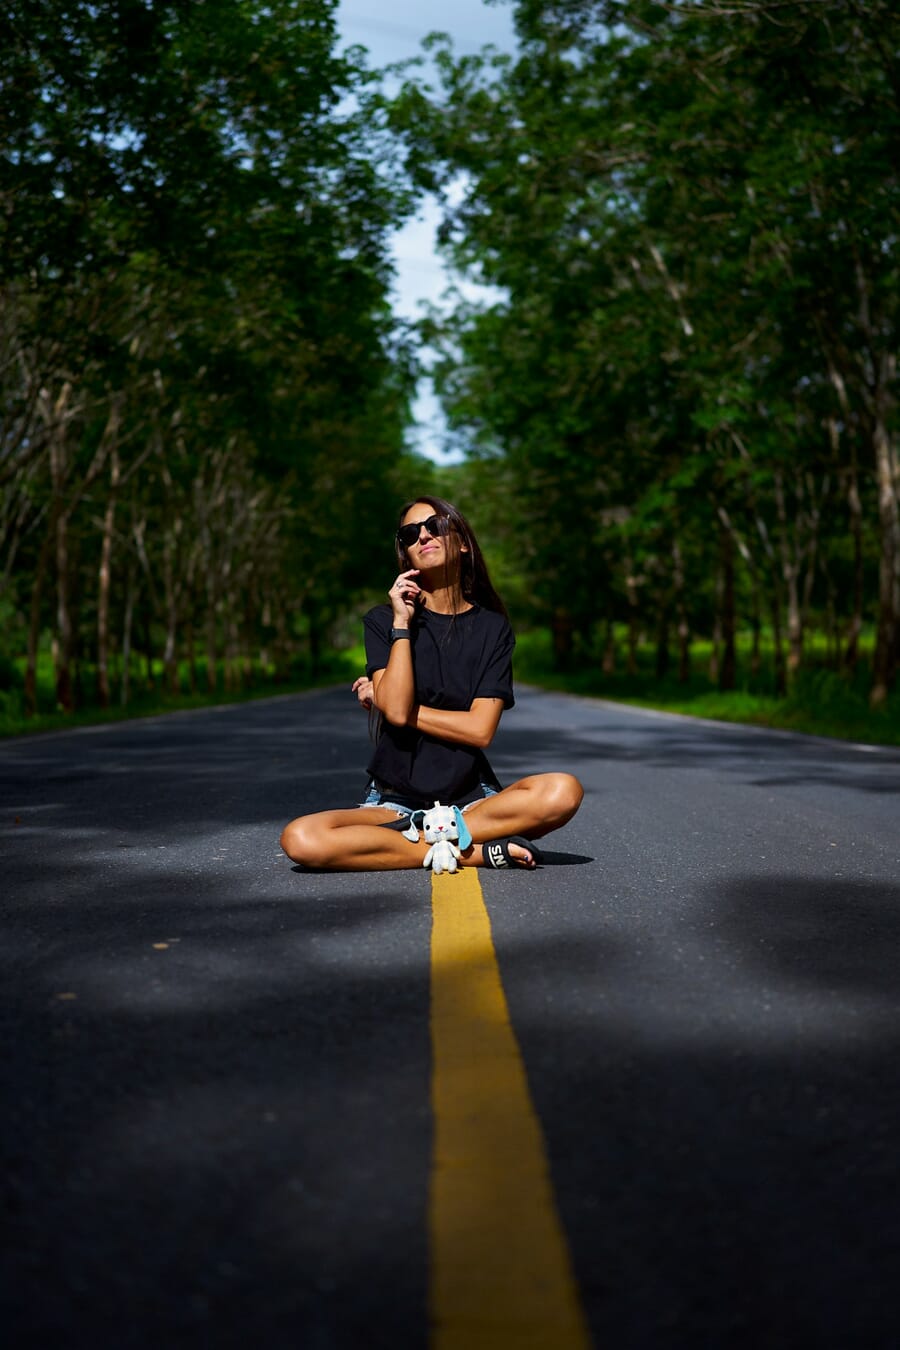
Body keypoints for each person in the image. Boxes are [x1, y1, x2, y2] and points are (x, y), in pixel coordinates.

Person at [280, 495, 583, 871]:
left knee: (561, 790)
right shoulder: (382, 621)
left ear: (462, 542)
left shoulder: (492, 628)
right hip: (396, 804)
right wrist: (402, 624)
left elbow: (479, 730)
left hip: (472, 801)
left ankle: (435, 839)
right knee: (302, 838)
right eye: (410, 533)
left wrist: (396, 709)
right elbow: (394, 704)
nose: (423, 536)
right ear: (405, 552)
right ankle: (469, 851)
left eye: (435, 526)